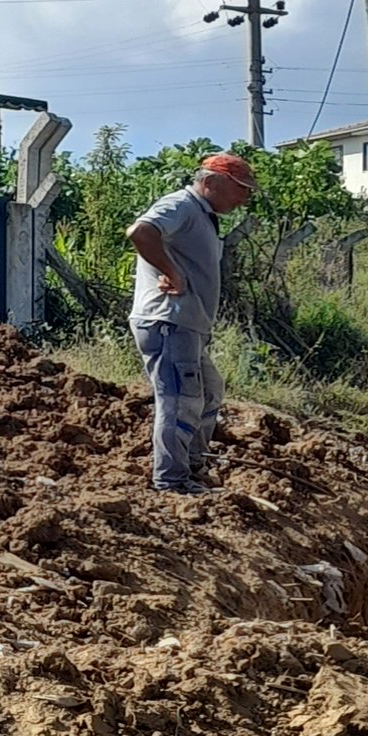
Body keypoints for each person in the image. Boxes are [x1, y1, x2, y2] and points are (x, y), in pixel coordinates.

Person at [124, 152, 257, 494]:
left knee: (210, 392)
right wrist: (172, 272)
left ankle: (193, 465)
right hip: (168, 321)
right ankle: (172, 480)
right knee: (179, 400)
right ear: (210, 182)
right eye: (240, 188)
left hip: (187, 324)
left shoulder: (203, 213)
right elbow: (141, 232)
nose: (244, 197)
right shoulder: (182, 204)